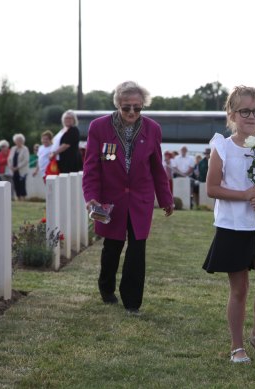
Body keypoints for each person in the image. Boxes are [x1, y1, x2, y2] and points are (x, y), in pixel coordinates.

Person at [203, 85, 255, 363]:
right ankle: (237, 345)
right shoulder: (222, 147)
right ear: (232, 114)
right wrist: (243, 196)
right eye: (245, 111)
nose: (251, 116)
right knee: (239, 289)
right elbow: (212, 188)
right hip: (232, 228)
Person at [82, 81, 174, 315]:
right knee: (112, 247)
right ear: (118, 106)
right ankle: (106, 287)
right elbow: (92, 167)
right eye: (126, 108)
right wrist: (91, 197)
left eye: (137, 108)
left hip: (140, 199)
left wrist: (165, 198)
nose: (132, 112)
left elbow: (156, 167)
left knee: (137, 249)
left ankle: (132, 301)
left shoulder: (152, 129)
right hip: (110, 200)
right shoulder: (99, 127)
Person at [8, 133, 30, 201]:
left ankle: (23, 198)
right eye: (17, 140)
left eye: (20, 140)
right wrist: (10, 166)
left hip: (22, 170)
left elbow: (26, 160)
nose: (19, 142)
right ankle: (18, 198)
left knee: (22, 184)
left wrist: (17, 167)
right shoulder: (13, 148)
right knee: (16, 184)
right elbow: (9, 158)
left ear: (23, 141)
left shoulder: (25, 149)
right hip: (14, 171)